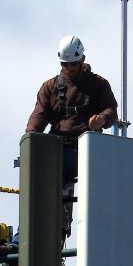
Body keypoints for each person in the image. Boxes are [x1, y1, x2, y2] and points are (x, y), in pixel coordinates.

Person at [26, 34, 118, 184]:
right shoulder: (50, 87)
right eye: (65, 64)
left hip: (90, 149)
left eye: (73, 64)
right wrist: (30, 137)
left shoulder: (98, 84)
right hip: (58, 150)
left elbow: (111, 110)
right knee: (44, 181)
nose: (69, 68)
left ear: (82, 60)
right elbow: (39, 115)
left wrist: (102, 119)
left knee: (96, 187)